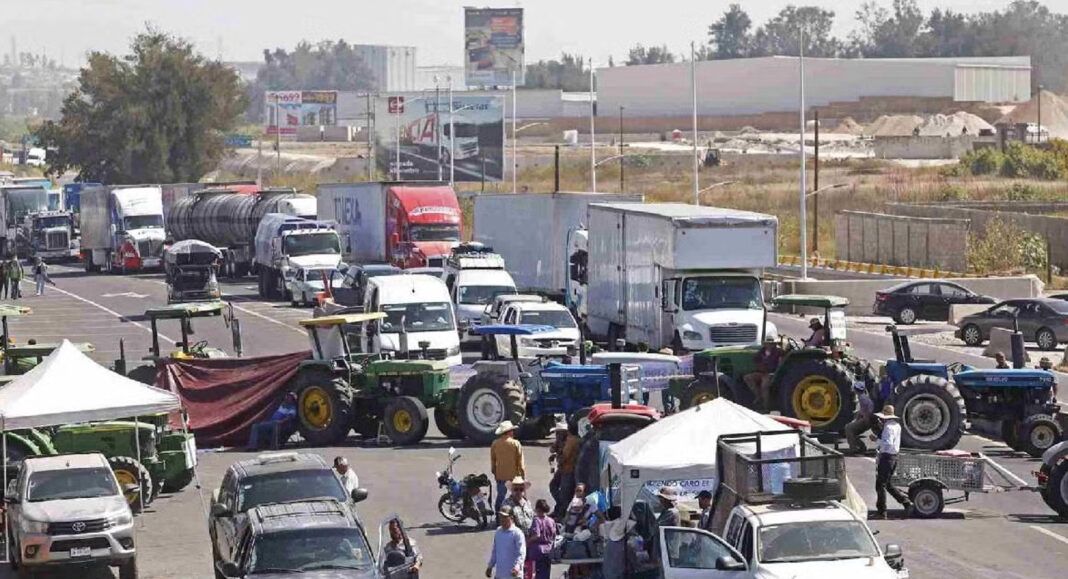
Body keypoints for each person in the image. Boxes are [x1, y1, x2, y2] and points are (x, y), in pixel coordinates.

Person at [872, 405, 912, 519]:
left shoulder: (888, 428)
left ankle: (882, 512)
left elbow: (888, 443)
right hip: (894, 456)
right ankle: (905, 502)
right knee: (887, 484)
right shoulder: (897, 426)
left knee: (880, 485)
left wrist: (879, 449)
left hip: (887, 457)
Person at [490, 421, 525, 516]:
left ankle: (498, 516)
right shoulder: (516, 443)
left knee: (500, 496)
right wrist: (522, 476)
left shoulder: (495, 444)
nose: (513, 432)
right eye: (512, 431)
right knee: (517, 497)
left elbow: (493, 462)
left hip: (500, 475)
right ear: (509, 432)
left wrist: (495, 473)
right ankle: (516, 516)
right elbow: (521, 464)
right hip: (514, 476)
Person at [743, 337, 781, 410]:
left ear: (773, 344)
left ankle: (765, 406)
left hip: (771, 373)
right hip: (761, 372)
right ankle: (758, 395)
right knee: (747, 377)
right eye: (767, 343)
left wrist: (773, 371)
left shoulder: (778, 352)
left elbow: (780, 363)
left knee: (764, 386)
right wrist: (760, 366)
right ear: (765, 344)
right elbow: (755, 359)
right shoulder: (762, 351)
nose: (769, 345)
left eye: (771, 344)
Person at [487, 507, 525, 579]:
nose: (502, 519)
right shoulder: (498, 531)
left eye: (505, 517)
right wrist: (490, 566)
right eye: (500, 517)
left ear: (511, 517)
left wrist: (517, 566)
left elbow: (521, 553)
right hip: (500, 575)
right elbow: (495, 551)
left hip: (514, 575)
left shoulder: (517, 533)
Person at [527, 499, 556, 579]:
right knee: (546, 574)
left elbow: (537, 535)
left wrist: (528, 542)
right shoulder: (551, 521)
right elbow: (554, 535)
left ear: (537, 509)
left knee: (536, 574)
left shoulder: (536, 520)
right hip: (548, 551)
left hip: (538, 552)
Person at [844, 382, 875, 454]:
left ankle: (854, 448)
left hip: (867, 420)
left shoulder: (862, 398)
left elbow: (866, 413)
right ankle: (861, 446)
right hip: (867, 419)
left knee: (848, 428)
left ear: (856, 389)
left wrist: (862, 421)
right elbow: (861, 412)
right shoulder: (864, 397)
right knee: (851, 429)